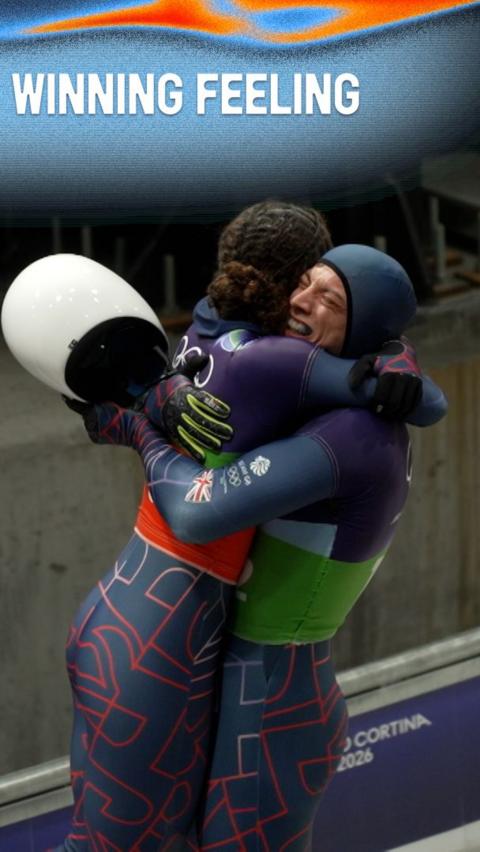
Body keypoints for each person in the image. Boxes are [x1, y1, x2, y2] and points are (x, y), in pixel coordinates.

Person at [72, 234, 447, 849]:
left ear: (363, 328)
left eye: (329, 299)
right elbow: (221, 319)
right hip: (244, 674)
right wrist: (398, 353)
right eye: (305, 281)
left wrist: (139, 426)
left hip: (273, 693)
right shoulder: (324, 394)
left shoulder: (353, 432)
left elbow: (197, 513)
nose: (299, 300)